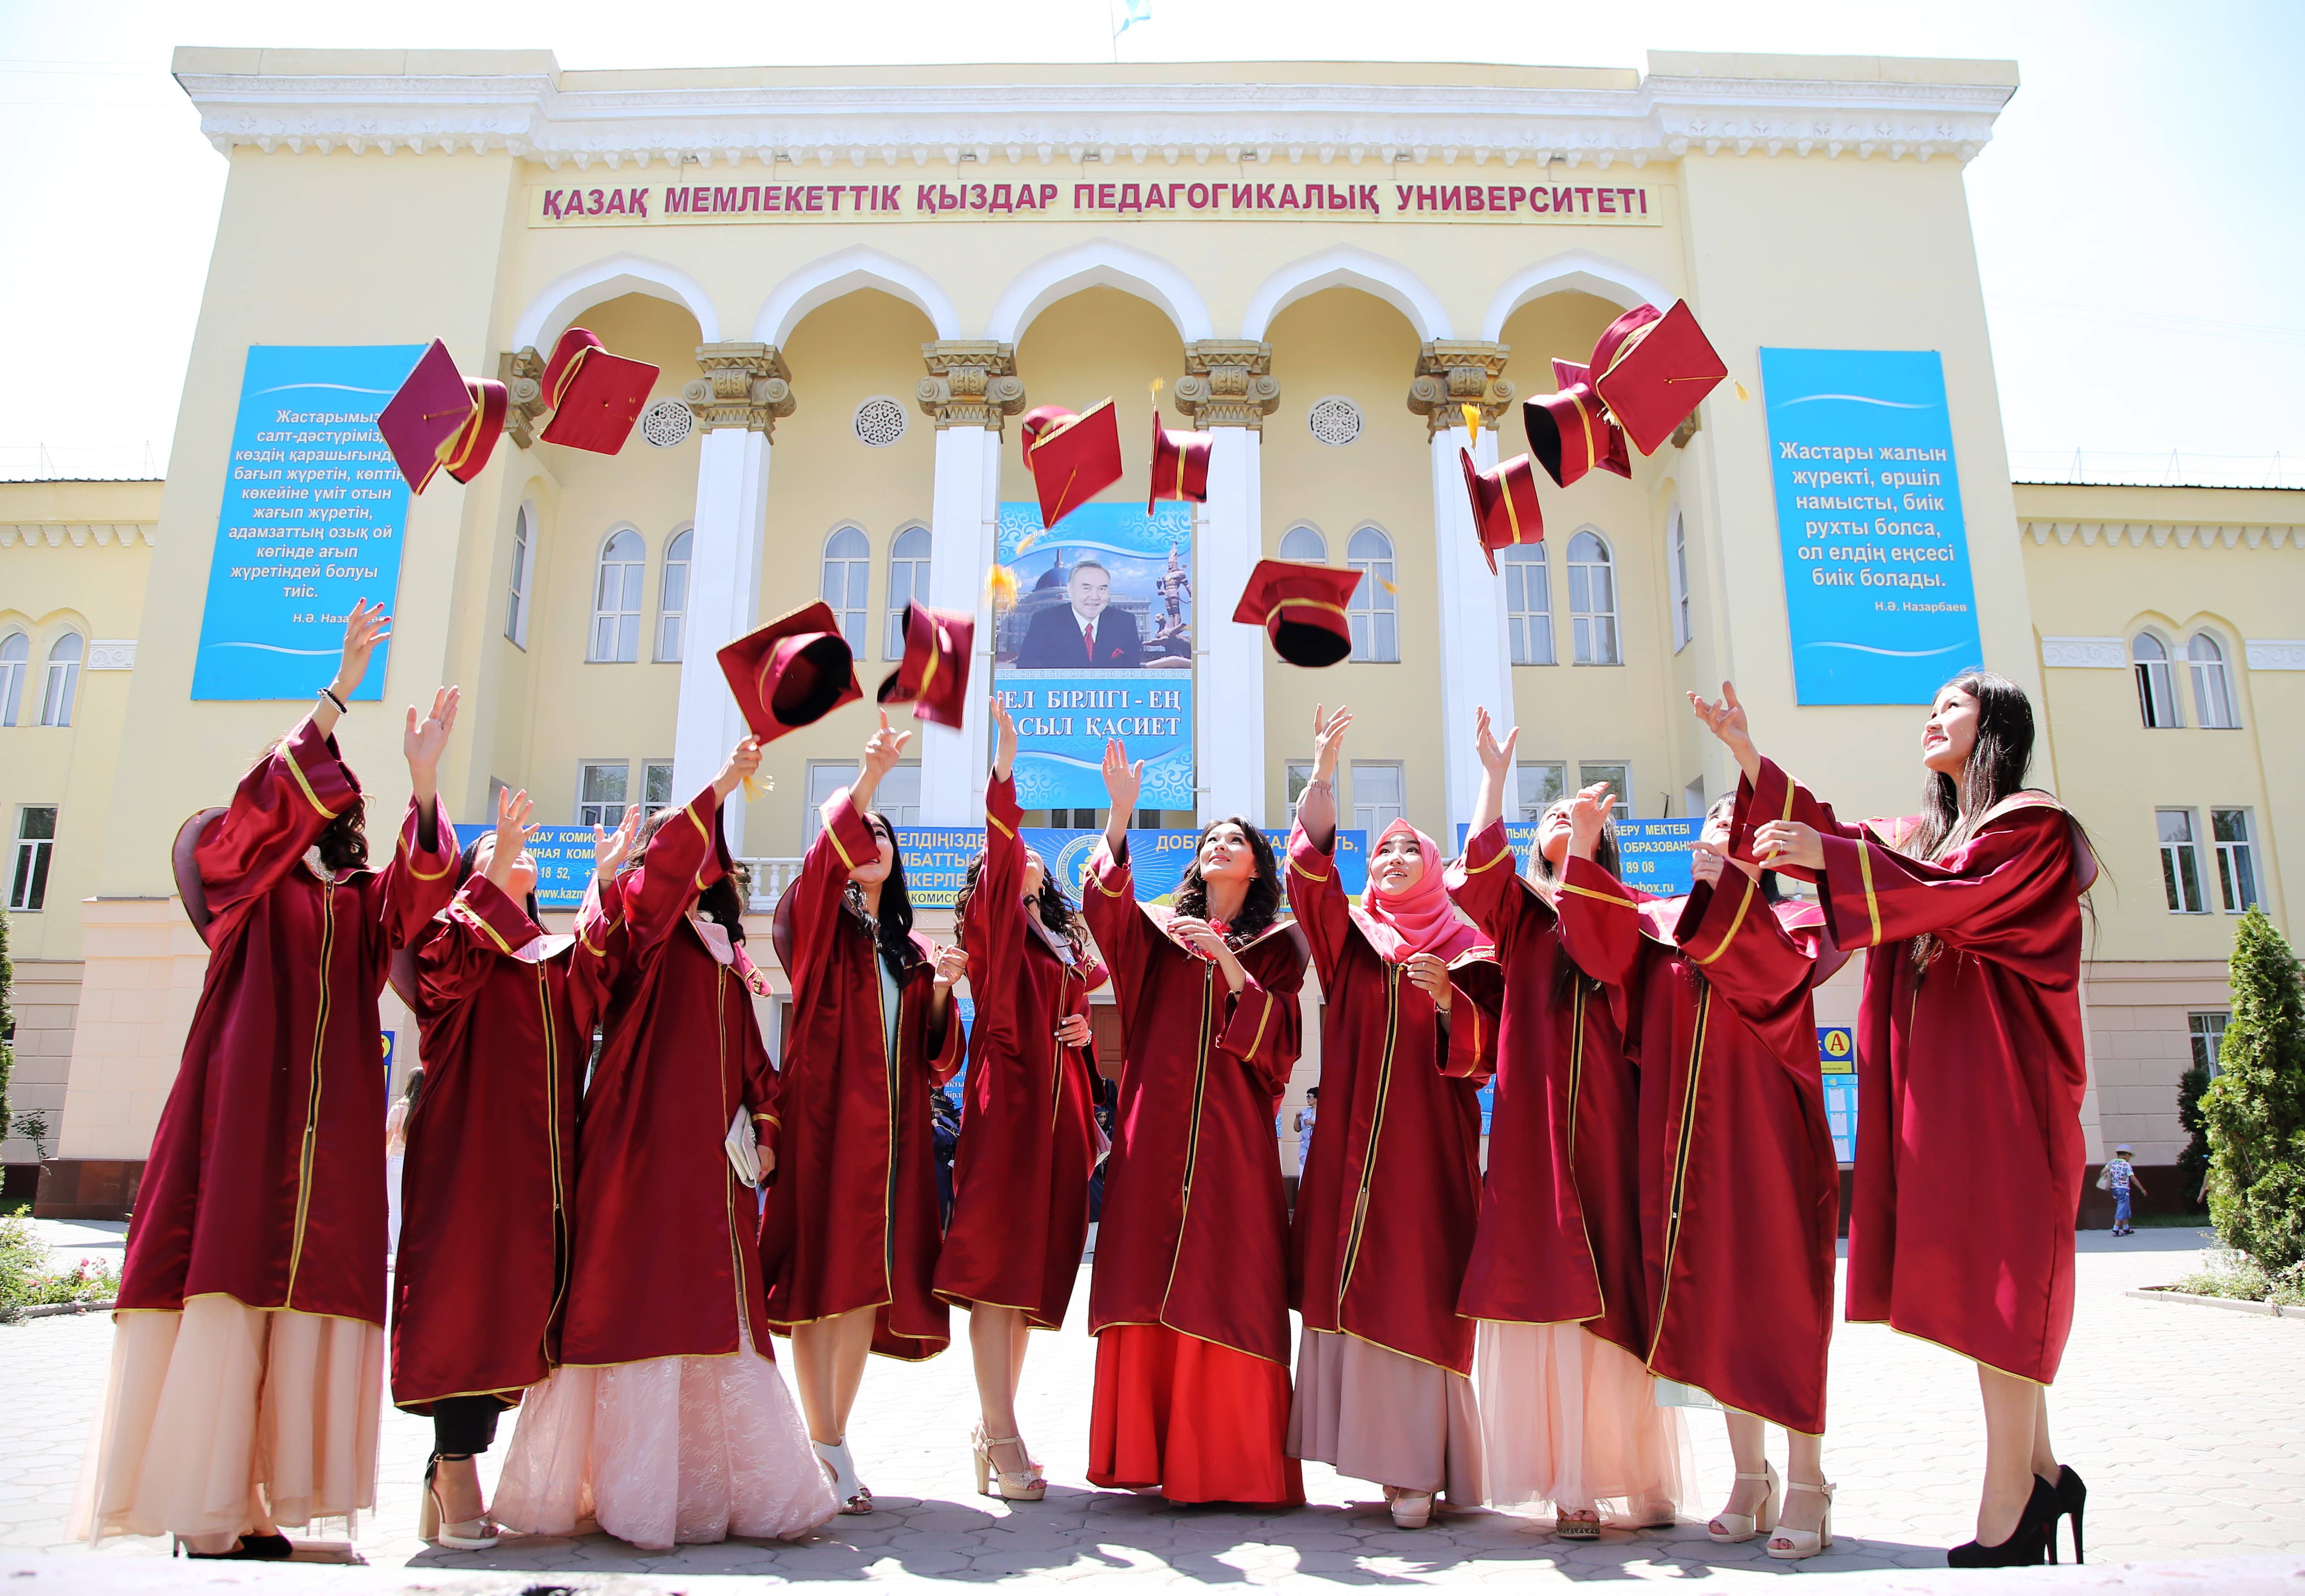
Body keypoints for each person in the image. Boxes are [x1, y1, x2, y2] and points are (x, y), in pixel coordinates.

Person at [74, 601, 460, 1558]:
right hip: (242, 1115)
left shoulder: (360, 900)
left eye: (346, 799)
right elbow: (251, 810)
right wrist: (337, 695)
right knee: (230, 1289)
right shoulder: (248, 881)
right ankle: (211, 1511)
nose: (336, 806)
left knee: (291, 1306)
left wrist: (423, 784)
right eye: (323, 792)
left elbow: (417, 905)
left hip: (324, 1129)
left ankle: (250, 1510)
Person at [1693, 672, 2098, 1567]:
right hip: (1953, 1091)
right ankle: (2041, 1472)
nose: (1933, 715)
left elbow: (1934, 891)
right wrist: (1748, 759)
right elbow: (1854, 848)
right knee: (1990, 1273)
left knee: (2006, 1280)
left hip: (2007, 1086)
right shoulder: (1927, 836)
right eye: (1929, 706)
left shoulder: (2029, 826)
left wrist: (1828, 855)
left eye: (1953, 705)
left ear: (1995, 725)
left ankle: (2010, 1505)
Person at [490, 737, 834, 1550]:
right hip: (635, 1145)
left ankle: (719, 1493)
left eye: (708, 860)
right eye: (684, 856)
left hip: (714, 1170)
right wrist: (718, 782)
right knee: (636, 1294)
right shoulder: (630, 925)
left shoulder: (724, 954)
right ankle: (629, 1492)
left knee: (718, 1307)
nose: (697, 870)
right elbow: (638, 905)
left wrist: (770, 1124)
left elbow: (755, 1058)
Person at [1555, 791, 1846, 1560]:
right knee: (1706, 1295)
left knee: (1779, 1300)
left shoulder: (1801, 926)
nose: (1725, 829)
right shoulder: (1660, 924)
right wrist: (1585, 844)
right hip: (1676, 1143)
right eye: (1717, 819)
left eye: (1743, 824)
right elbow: (1593, 948)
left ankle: (1810, 1479)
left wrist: (1732, 892)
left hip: (1763, 1137)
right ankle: (1749, 1474)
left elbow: (1764, 978)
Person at [1447, 709, 1688, 1540]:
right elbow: (1475, 880)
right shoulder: (1519, 912)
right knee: (1549, 1290)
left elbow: (1600, 953)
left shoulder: (1628, 905)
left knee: (1614, 1286)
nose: (1558, 817)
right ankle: (1572, 1482)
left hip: (1608, 1125)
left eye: (1574, 814)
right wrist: (1491, 778)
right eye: (1546, 816)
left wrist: (1584, 850)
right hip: (1531, 1129)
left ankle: (1636, 1470)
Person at [1285, 705, 1497, 1529]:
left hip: (1426, 1149)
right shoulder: (1353, 937)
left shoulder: (1468, 943)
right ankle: (1372, 1459)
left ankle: (1419, 1464)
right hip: (1348, 1149)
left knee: (1417, 1281)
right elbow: (1307, 878)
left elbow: (1486, 1051)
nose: (1397, 856)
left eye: (1412, 848)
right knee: (1354, 1283)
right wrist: (1322, 775)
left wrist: (1451, 1004)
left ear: (1436, 867)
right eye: (1384, 849)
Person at [1083, 736, 1309, 1505]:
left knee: (1232, 1270)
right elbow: (1103, 914)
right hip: (1154, 1134)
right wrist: (1119, 815)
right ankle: (1147, 1449)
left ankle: (1228, 1459)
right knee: (1146, 1265)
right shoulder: (1155, 934)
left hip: (1231, 1141)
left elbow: (1280, 1044)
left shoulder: (1279, 947)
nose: (1220, 845)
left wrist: (1230, 962)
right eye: (1210, 839)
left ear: (1256, 866)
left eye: (1235, 839)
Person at [389, 788, 609, 1548]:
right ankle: (454, 1470)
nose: (515, 853)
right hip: (469, 1159)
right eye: (491, 854)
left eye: (521, 853)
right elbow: (434, 966)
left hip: (542, 1172)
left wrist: (604, 882)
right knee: (463, 1303)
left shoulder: (549, 959)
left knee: (516, 1310)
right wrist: (492, 849)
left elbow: (598, 978)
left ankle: (455, 1462)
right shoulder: (458, 948)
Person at [761, 711, 965, 1514]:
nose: (870, 838)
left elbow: (937, 1058)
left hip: (893, 1142)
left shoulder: (905, 954)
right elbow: (818, 866)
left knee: (859, 1291)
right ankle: (822, 1443)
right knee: (822, 1282)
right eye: (861, 830)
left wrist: (946, 987)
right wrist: (869, 777)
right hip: (824, 1130)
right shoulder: (820, 927)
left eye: (884, 832)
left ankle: (830, 1438)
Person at [934, 699, 1109, 1502]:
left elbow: (1089, 981)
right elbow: (1000, 863)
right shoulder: (993, 925)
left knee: (1033, 1276)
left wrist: (1077, 1027)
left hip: (1060, 1114)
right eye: (1017, 852)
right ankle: (998, 1429)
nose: (1028, 856)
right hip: (1007, 1106)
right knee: (998, 1269)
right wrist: (1005, 768)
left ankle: (995, 1428)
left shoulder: (1058, 940)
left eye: (1034, 852)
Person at [1014, 560, 1144, 668]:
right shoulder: (1044, 622)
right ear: (1071, 590)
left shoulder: (1125, 622)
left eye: (1102, 589)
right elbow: (1027, 676)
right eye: (1087, 588)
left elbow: (1133, 678)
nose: (1095, 597)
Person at [383, 1066, 421, 1259]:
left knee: (396, 1210)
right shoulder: (426, 1108)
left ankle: (398, 1253)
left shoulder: (399, 1108)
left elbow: (387, 1139)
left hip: (397, 1161)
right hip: (418, 1164)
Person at [2105, 1145, 2145, 1236]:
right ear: (2127, 1155)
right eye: (2130, 1156)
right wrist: (2142, 1189)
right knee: (2122, 1207)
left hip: (2114, 1189)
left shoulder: (2111, 1163)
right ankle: (2116, 1229)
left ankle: (2126, 1228)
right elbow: (2133, 1178)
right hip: (2124, 1189)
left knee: (2126, 1207)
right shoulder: (2126, 1165)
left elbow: (2103, 1171)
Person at [1293, 1087, 1319, 1180]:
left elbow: (1327, 1127)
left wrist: (1314, 1123)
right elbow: (1297, 1129)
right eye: (1307, 1096)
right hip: (1305, 1150)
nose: (1307, 1099)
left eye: (1310, 1096)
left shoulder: (1323, 1112)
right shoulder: (1305, 1112)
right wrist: (1297, 1117)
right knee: (1304, 1175)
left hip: (1318, 1149)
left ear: (1316, 1099)